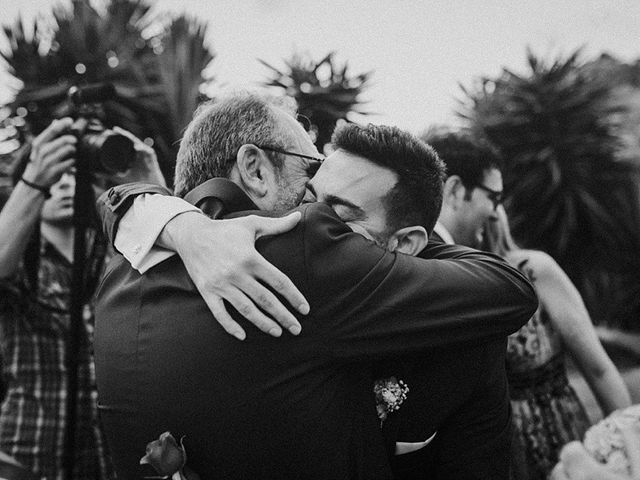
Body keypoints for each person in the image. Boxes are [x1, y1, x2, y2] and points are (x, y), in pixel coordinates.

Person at [94, 92, 537, 479]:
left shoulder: (119, 275)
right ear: (255, 169)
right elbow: (508, 289)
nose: (316, 209)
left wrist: (151, 209)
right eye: (311, 174)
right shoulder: (305, 253)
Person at [0, 118, 167, 480]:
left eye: (76, 176)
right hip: (28, 457)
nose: (65, 186)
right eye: (55, 176)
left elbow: (173, 279)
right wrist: (33, 179)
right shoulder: (20, 261)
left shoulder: (117, 254)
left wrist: (150, 185)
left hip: (111, 460)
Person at [483, 205, 632, 480]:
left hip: (557, 432)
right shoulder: (456, 286)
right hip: (499, 450)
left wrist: (624, 447)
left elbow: (598, 369)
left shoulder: (535, 271)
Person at [425, 132, 503, 248]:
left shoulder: (404, 250)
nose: (495, 215)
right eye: (493, 198)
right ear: (455, 191)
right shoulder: (443, 261)